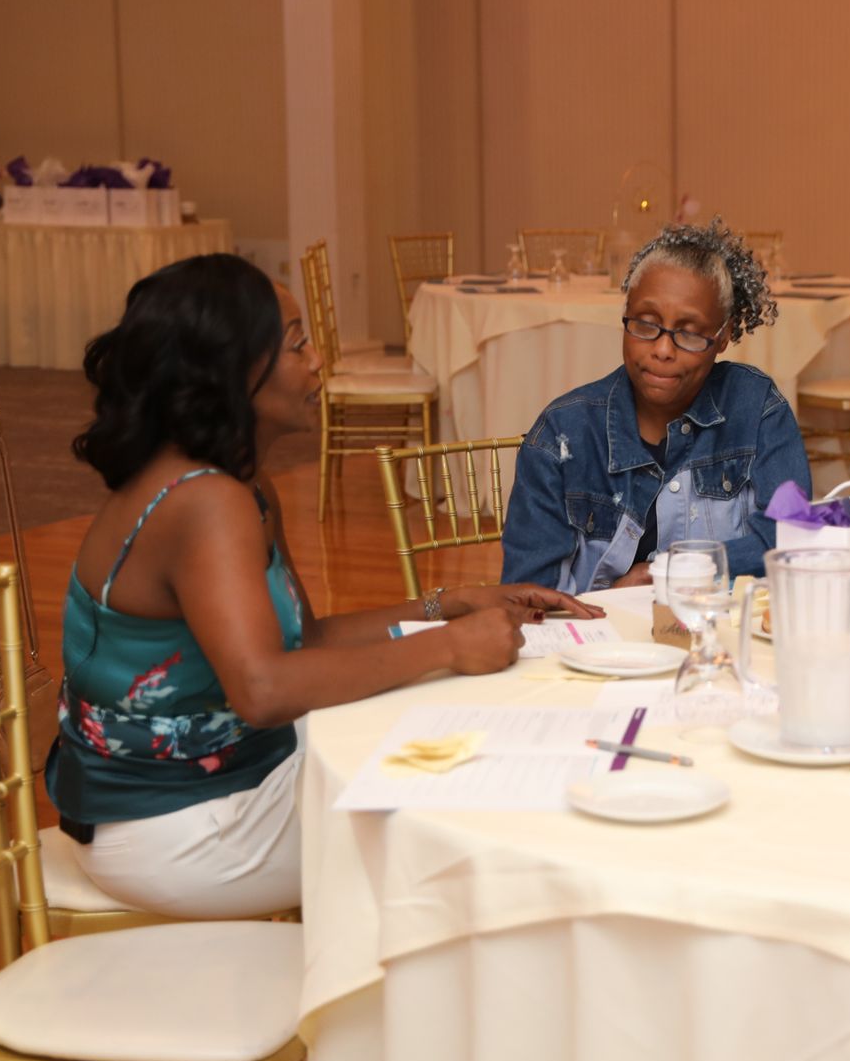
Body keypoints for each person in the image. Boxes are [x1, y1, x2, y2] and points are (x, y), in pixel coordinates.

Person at [48, 254, 595, 918]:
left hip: (217, 780)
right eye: (298, 342)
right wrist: (447, 646)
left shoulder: (237, 483)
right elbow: (264, 688)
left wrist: (450, 604)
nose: (318, 360)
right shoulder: (206, 502)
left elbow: (306, 641)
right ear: (231, 370)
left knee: (440, 730)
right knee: (461, 803)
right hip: (174, 827)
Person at [502, 220, 811, 591]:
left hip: (720, 637)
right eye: (646, 324)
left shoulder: (755, 407)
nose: (663, 350)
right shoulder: (562, 434)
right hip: (598, 644)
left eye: (690, 333)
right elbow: (527, 596)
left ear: (723, 336)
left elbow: (792, 538)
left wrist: (674, 572)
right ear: (626, 313)